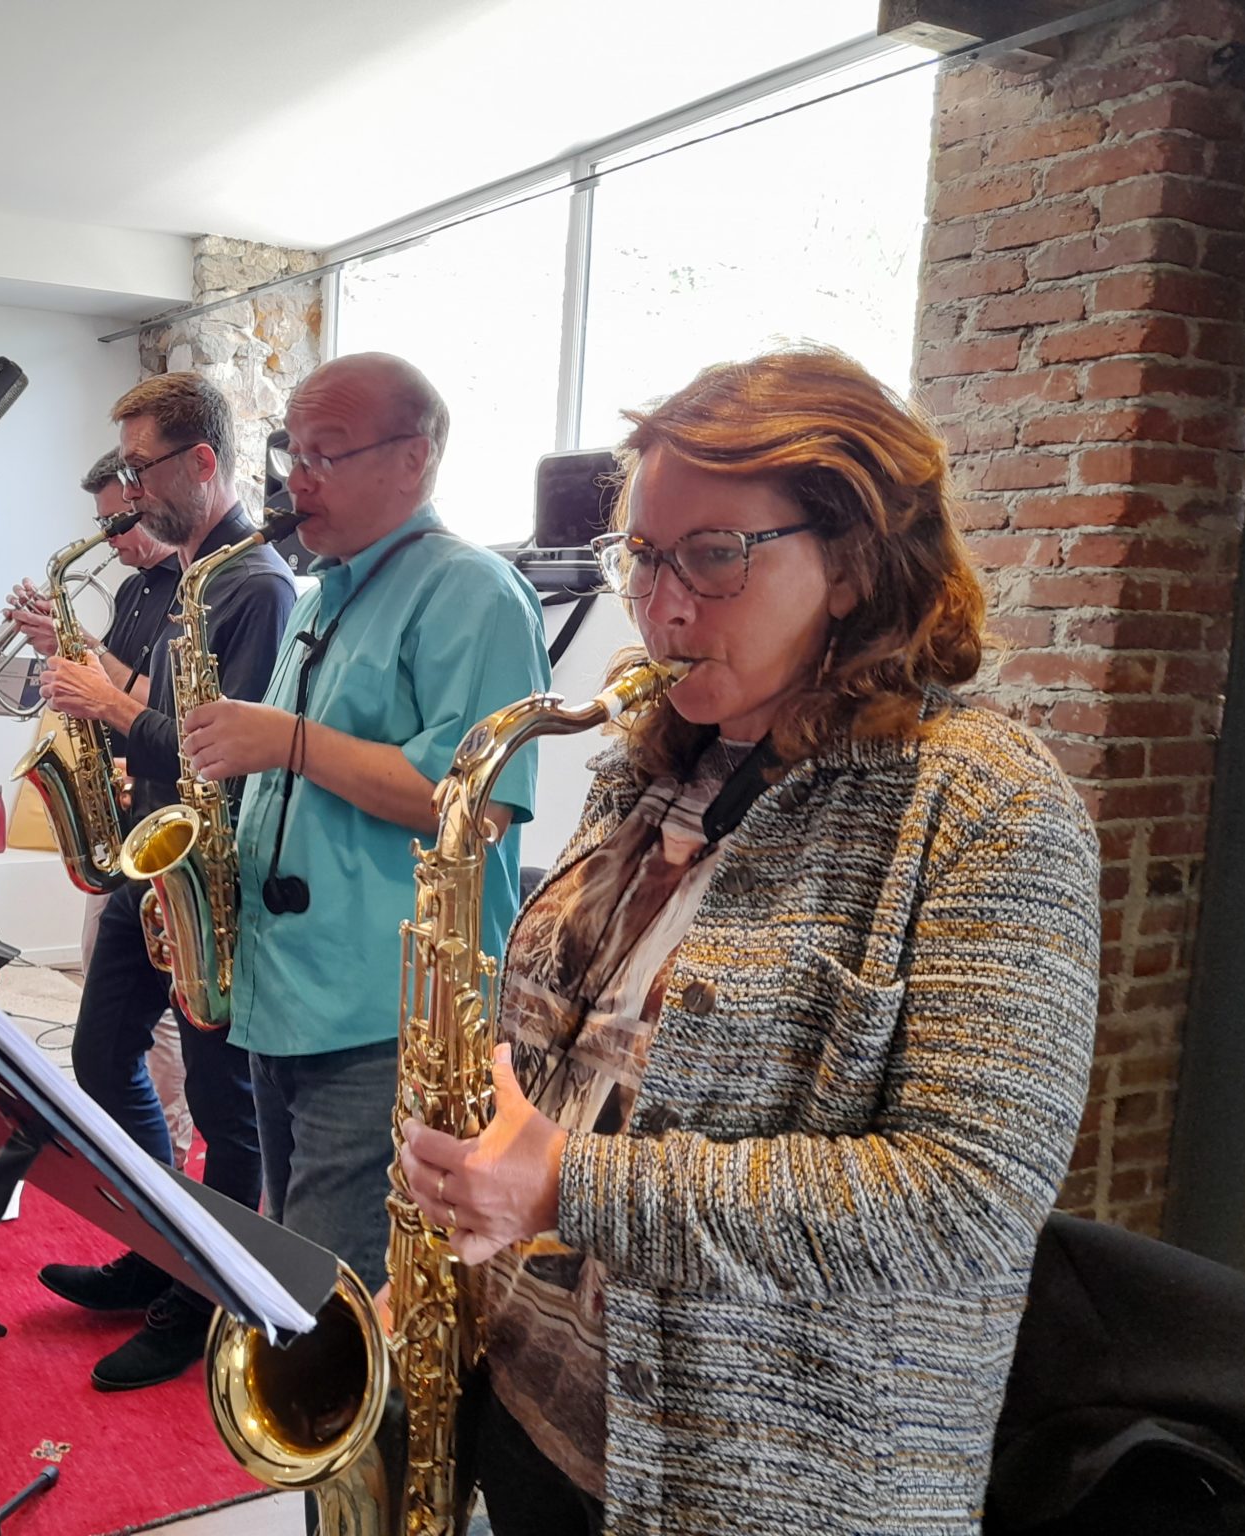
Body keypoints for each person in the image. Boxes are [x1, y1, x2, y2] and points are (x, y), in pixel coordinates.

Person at [394, 348, 1101, 1535]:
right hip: (530, 1418)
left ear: (853, 562)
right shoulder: (646, 768)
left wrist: (571, 1184)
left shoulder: (986, 806)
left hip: (760, 1488)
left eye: (713, 556)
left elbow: (964, 1202)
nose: (659, 607)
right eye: (643, 555)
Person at [182, 352, 551, 1299]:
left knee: (330, 1298)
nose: (296, 481)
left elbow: (475, 803)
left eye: (326, 454)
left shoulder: (472, 591)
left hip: (387, 1019)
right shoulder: (322, 598)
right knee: (294, 1258)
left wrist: (289, 741)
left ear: (412, 459)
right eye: (292, 453)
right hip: (287, 997)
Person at [33, 374, 295, 1390]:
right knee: (102, 1058)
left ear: (202, 462)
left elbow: (226, 758)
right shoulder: (187, 578)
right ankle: (159, 1246)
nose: (131, 490)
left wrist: (110, 707)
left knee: (227, 1112)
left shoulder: (255, 585)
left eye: (142, 468)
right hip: (149, 865)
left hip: (207, 883)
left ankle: (205, 1296)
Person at [3, 450, 195, 1168]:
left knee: (161, 1010)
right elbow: (110, 693)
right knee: (103, 982)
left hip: (165, 813)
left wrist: (80, 648)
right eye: (104, 523)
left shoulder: (191, 589)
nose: (110, 538)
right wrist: (58, 641)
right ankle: (141, 1151)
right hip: (122, 800)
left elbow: (144, 700)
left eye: (119, 521)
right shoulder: (134, 591)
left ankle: (171, 1148)